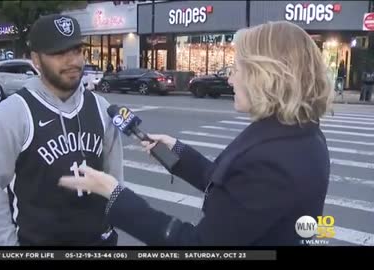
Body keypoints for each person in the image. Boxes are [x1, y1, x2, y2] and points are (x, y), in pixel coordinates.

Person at [59, 21, 333, 246]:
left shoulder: (275, 158)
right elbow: (234, 188)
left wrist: (113, 194)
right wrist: (178, 152)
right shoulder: (296, 132)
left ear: (265, 75)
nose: (229, 78)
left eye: (237, 68)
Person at [0, 14, 124, 246]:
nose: (72, 61)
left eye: (76, 51)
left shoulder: (101, 109)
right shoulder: (14, 113)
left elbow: (115, 182)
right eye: (59, 53)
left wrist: (111, 229)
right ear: (36, 59)